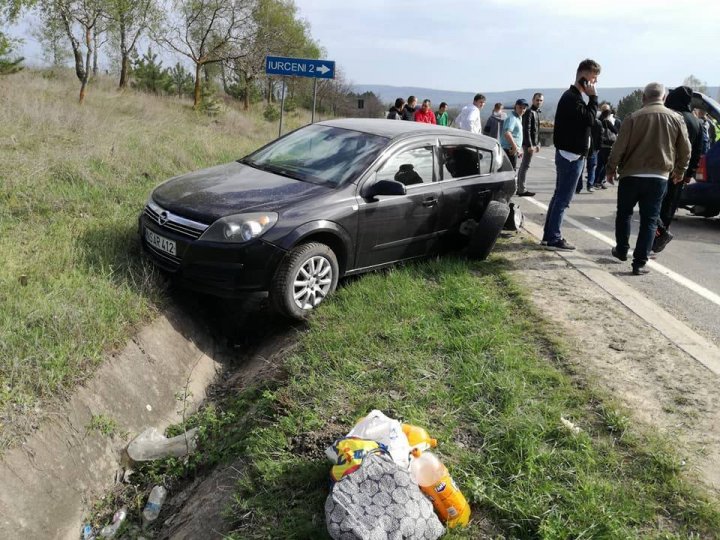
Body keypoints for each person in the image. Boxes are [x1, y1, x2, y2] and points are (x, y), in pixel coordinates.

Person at [606, 82, 690, 275]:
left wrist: (611, 168)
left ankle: (621, 249)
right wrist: (680, 171)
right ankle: (639, 263)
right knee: (649, 220)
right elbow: (685, 149)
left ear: (644, 98)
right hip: (658, 176)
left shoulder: (632, 118)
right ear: (664, 98)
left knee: (624, 213)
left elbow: (618, 147)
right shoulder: (676, 118)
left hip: (630, 174)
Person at [542, 58, 601, 250]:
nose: (595, 84)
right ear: (584, 78)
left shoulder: (573, 97)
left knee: (558, 197)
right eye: (593, 79)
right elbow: (589, 120)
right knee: (563, 200)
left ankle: (549, 235)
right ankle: (553, 237)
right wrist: (594, 98)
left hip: (570, 154)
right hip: (571, 156)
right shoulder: (572, 98)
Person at [652, 86, 703, 253]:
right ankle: (659, 237)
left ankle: (656, 236)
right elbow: (697, 150)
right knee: (669, 206)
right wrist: (690, 173)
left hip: (663, 168)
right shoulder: (696, 122)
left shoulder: (670, 116)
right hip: (681, 172)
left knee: (653, 204)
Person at [516, 93, 543, 196]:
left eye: (540, 100)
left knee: (525, 165)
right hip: (528, 144)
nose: (539, 102)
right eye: (537, 100)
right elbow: (526, 129)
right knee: (525, 165)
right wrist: (530, 145)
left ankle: (520, 188)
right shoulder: (530, 112)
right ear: (533, 100)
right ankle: (521, 189)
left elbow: (537, 130)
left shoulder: (536, 112)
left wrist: (538, 143)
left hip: (533, 144)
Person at [500, 99, 528, 170]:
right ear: (515, 107)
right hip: (509, 150)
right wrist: (515, 147)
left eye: (524, 108)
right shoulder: (512, 118)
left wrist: (518, 149)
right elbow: (507, 133)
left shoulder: (518, 117)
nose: (522, 110)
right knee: (509, 174)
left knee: (510, 173)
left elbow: (516, 135)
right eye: (520, 107)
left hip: (512, 149)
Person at [576, 116, 602, 193]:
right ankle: (590, 185)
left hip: (582, 147)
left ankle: (578, 187)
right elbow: (600, 136)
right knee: (592, 167)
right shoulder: (598, 123)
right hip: (593, 148)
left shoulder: (581, 121)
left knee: (580, 167)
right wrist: (598, 148)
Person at [595, 104, 618, 188]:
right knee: (607, 165)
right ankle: (600, 181)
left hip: (599, 145)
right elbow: (615, 130)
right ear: (608, 112)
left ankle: (595, 181)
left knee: (599, 165)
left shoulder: (598, 120)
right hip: (607, 145)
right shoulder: (607, 121)